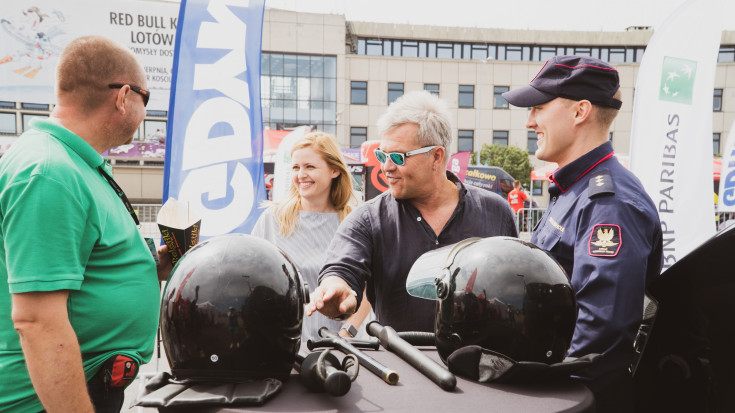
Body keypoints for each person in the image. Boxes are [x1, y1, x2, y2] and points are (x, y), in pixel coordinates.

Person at [0, 36, 172, 413]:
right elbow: (37, 321)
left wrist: (151, 267)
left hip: (82, 386)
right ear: (124, 96)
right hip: (49, 399)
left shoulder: (70, 164)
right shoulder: (49, 173)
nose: (145, 112)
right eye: (146, 99)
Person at [502, 55, 663, 412]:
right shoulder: (575, 190)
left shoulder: (609, 203)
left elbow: (600, 334)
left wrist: (545, 398)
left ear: (580, 112)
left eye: (539, 108)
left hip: (574, 399)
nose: (530, 121)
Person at [306, 91, 518, 332]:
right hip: (401, 367)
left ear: (436, 156)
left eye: (397, 156)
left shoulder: (496, 212)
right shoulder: (368, 219)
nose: (386, 167)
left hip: (480, 365)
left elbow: (514, 289)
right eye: (382, 155)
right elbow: (342, 268)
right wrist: (335, 288)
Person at [252, 132, 372, 341]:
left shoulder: (356, 220)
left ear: (334, 170)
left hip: (345, 346)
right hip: (287, 344)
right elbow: (252, 278)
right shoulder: (273, 219)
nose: (301, 175)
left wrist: (347, 332)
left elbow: (371, 288)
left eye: (310, 167)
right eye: (296, 167)